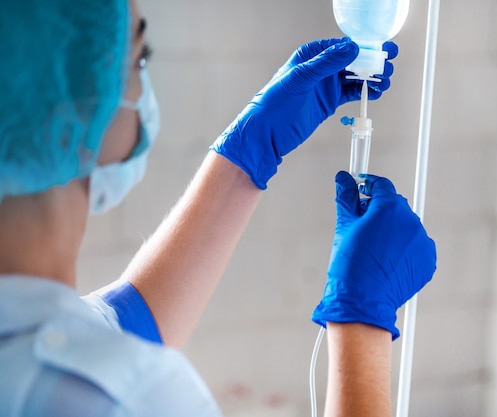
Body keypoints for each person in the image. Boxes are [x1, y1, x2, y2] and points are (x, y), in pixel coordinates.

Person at [0, 1, 437, 416]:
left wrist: (249, 151)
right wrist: (361, 321)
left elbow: (122, 322)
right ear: (65, 124)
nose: (143, 82)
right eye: (139, 59)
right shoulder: (129, 400)